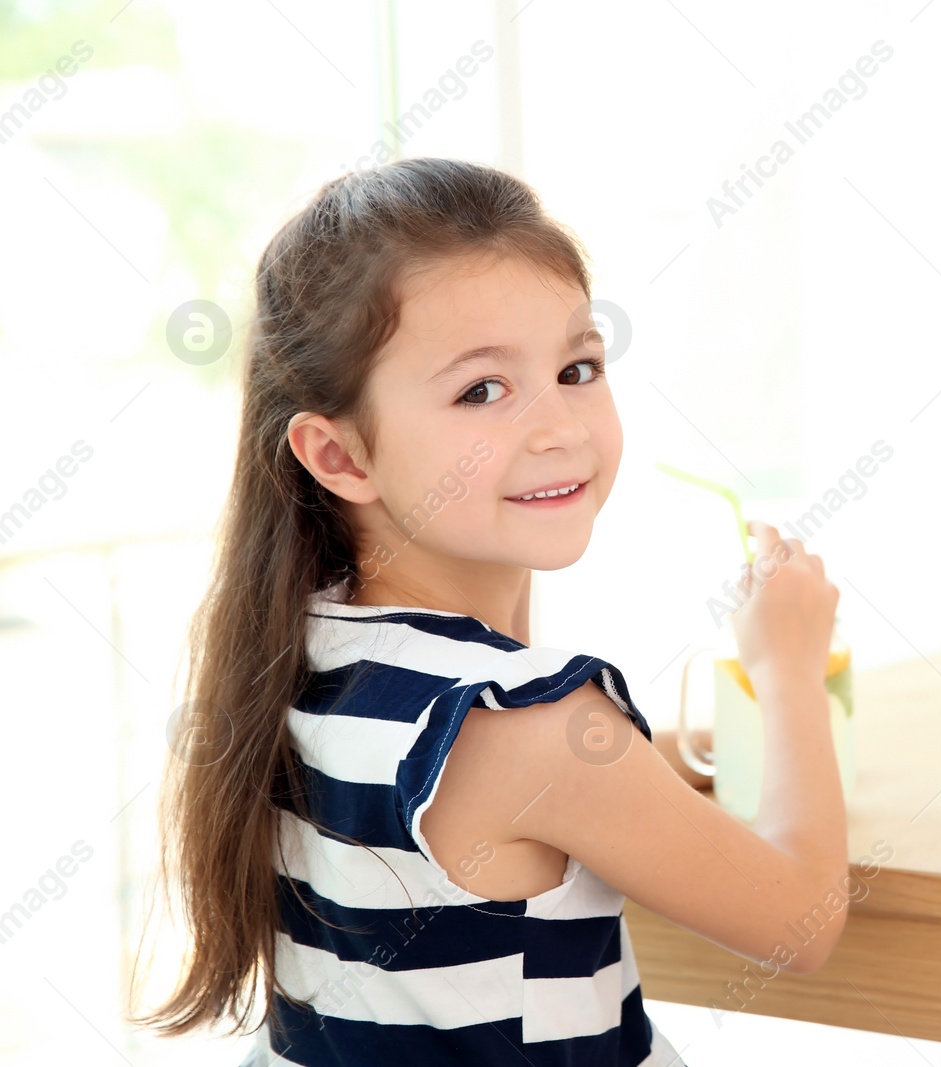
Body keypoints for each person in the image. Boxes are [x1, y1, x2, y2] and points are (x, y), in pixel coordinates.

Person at [130, 158, 847, 1066]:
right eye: (482, 390)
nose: (560, 427)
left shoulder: (299, 651)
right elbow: (804, 920)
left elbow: (524, 809)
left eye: (578, 366)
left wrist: (641, 757)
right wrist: (788, 670)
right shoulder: (527, 722)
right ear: (339, 456)